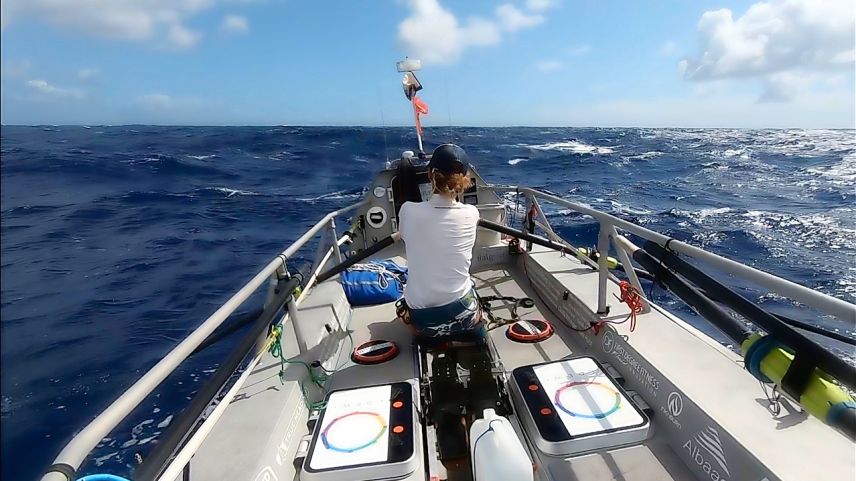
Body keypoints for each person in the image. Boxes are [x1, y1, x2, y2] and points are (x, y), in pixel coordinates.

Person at [396, 144, 483, 343]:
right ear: (465, 179)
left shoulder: (408, 211)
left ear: (430, 175)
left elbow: (405, 234)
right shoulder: (472, 214)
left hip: (422, 323)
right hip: (464, 316)